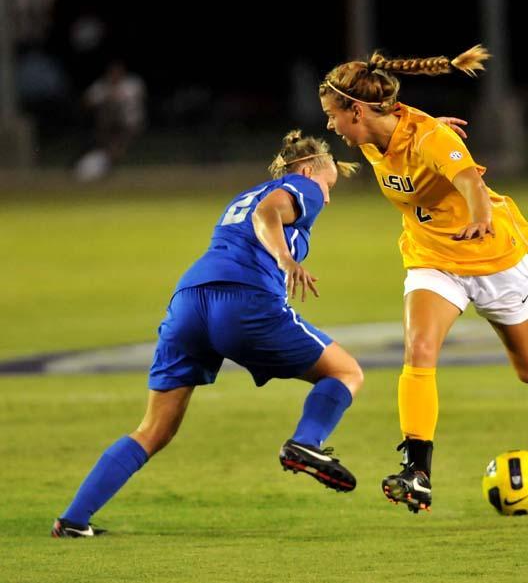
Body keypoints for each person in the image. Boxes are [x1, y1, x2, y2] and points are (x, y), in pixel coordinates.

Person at [52, 130, 363, 537]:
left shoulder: (244, 195)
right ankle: (306, 442)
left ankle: (73, 521)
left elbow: (254, 216)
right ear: (307, 169)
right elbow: (267, 215)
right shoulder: (298, 186)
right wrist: (286, 261)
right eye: (328, 185)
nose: (327, 197)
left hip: (189, 302)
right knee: (345, 373)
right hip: (243, 300)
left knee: (153, 429)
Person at [318, 46, 528, 514]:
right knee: (418, 349)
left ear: (357, 110)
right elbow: (405, 130)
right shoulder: (378, 133)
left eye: (335, 116)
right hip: (432, 257)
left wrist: (479, 218)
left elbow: (472, 183)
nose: (331, 126)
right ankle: (418, 472)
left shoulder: (429, 137)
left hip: (491, 255)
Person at [74, 61, 146, 181]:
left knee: (116, 143)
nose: (115, 75)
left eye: (118, 72)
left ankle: (103, 164)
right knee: (107, 111)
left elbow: (140, 98)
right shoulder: (102, 86)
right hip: (107, 125)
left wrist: (116, 98)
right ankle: (97, 164)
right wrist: (106, 96)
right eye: (112, 72)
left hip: (130, 122)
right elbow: (86, 101)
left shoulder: (132, 84)